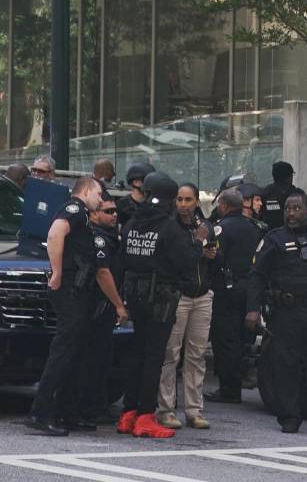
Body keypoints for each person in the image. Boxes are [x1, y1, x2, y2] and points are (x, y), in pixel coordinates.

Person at [247, 193, 307, 435]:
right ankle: (290, 416)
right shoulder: (274, 239)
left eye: (297, 209)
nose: (291, 213)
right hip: (286, 313)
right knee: (286, 365)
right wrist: (252, 309)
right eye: (287, 209)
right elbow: (257, 276)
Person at [119, 171, 208, 439]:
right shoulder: (168, 227)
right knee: (154, 357)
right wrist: (199, 242)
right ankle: (146, 415)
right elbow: (185, 260)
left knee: (136, 353)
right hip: (160, 298)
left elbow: (123, 257)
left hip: (134, 293)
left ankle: (128, 412)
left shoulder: (133, 223)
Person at [26, 176, 111, 435]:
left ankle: (65, 411)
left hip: (79, 291)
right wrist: (58, 272)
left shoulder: (83, 214)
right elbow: (55, 233)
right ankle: (41, 412)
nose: (100, 200)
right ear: (85, 191)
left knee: (74, 353)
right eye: (98, 194)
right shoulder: (75, 209)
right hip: (70, 291)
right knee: (63, 353)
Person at [154, 183, 216, 430]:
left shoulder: (205, 226)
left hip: (202, 295)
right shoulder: (171, 227)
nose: (183, 204)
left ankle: (194, 410)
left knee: (197, 355)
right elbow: (181, 260)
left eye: (188, 200)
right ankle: (166, 409)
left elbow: (211, 255)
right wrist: (200, 248)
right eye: (179, 199)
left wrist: (210, 253)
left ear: (197, 202)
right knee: (171, 354)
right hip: (178, 295)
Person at [206, 187, 261, 405]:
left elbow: (217, 258)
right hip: (248, 289)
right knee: (240, 338)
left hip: (227, 289)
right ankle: (238, 380)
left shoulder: (221, 228)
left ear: (224, 206)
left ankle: (229, 389)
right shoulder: (254, 227)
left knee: (225, 339)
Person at [77, 191, 126, 428]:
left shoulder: (110, 237)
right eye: (108, 211)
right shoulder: (98, 239)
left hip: (104, 308)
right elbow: (102, 273)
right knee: (93, 360)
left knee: (103, 359)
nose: (114, 215)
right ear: (95, 214)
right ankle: (88, 408)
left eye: (116, 211)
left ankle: (97, 405)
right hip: (96, 307)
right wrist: (119, 304)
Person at [262, 161, 305, 231]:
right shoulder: (298, 194)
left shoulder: (266, 193)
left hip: (270, 234)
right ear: (289, 177)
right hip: (294, 233)